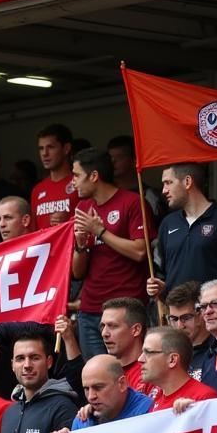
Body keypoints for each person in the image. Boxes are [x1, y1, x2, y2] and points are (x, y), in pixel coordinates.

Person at [72, 148, 154, 359]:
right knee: (97, 379)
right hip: (90, 310)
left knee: (130, 377)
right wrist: (81, 245)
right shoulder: (83, 207)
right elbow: (77, 273)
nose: (73, 183)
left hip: (126, 310)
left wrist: (100, 231)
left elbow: (139, 252)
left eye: (76, 175)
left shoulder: (133, 202)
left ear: (94, 176)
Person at [147, 163, 217, 301]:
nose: (164, 190)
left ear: (188, 181)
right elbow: (161, 270)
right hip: (177, 313)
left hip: (211, 311)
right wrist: (158, 287)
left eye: (168, 183)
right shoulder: (168, 223)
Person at [30, 124, 77, 230]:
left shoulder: (80, 183)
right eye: (41, 148)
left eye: (50, 147)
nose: (44, 153)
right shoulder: (37, 190)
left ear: (66, 148)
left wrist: (70, 221)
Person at [164, 281, 212, 379]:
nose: (179, 326)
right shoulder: (168, 354)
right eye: (174, 319)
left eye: (186, 318)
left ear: (202, 314)